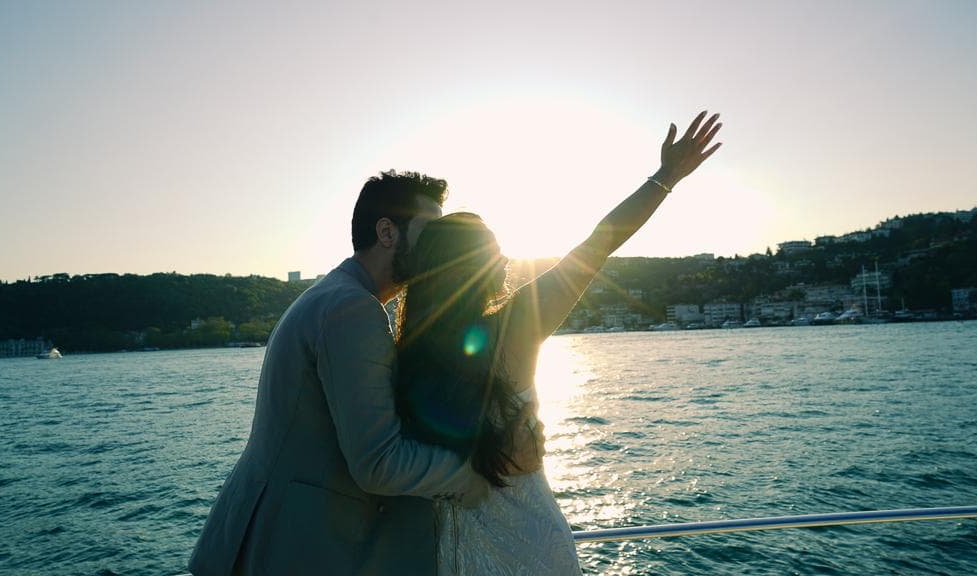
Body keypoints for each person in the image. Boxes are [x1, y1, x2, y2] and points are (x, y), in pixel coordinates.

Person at [393, 112, 722, 574]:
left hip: (451, 552)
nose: (505, 262)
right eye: (494, 254)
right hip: (534, 542)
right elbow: (595, 246)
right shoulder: (515, 326)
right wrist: (665, 178)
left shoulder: (402, 355)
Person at [188, 171, 545, 576]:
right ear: (387, 232)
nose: (439, 244)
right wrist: (488, 469)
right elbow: (379, 462)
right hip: (290, 549)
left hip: (274, 541)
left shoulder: (334, 296)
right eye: (429, 231)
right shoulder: (351, 310)